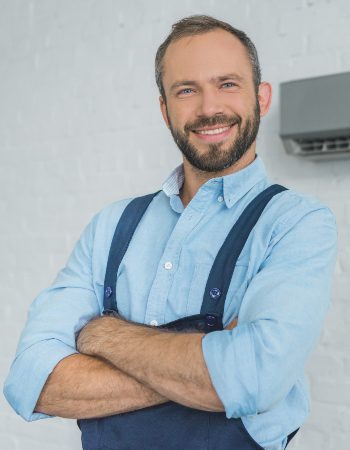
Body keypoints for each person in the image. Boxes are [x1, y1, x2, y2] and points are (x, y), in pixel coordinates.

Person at [4, 14, 337, 450]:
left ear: (261, 97)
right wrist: (212, 360)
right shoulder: (111, 226)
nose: (208, 108)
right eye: (186, 90)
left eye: (228, 84)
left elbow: (256, 377)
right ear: (165, 110)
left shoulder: (295, 223)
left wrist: (103, 335)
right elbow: (34, 382)